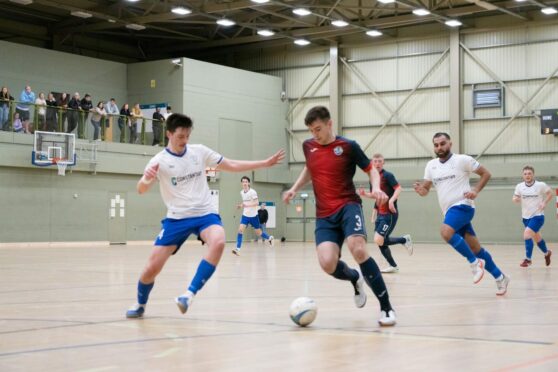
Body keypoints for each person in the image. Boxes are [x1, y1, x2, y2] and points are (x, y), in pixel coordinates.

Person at [125, 113, 285, 318]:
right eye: (180, 136)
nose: (184, 141)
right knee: (151, 267)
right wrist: (147, 180)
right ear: (169, 134)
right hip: (177, 218)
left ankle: (189, 294)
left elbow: (232, 165)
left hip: (205, 213)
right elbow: (140, 189)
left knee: (218, 241)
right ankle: (140, 304)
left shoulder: (198, 152)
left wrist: (263, 163)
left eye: (187, 136)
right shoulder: (159, 161)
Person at [282, 105, 396, 326]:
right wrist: (295, 187)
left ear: (329, 123)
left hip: (348, 206)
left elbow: (371, 168)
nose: (315, 134)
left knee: (358, 249)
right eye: (311, 131)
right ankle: (354, 278)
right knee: (327, 263)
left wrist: (376, 187)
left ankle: (386, 308)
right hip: (324, 214)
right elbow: (309, 168)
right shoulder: (309, 146)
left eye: (318, 129)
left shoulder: (348, 146)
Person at [413, 132, 510, 296]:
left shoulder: (462, 160)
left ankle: (474, 264)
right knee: (476, 248)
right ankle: (500, 277)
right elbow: (425, 191)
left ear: (450, 143)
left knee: (445, 232)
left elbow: (486, 174)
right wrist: (420, 189)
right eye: (436, 145)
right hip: (449, 212)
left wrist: (475, 190)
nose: (439, 147)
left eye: (443, 143)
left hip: (464, 206)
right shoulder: (431, 165)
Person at [358, 153, 413, 273]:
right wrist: (365, 194)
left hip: (390, 214)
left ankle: (404, 240)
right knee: (380, 242)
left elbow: (398, 188)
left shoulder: (388, 175)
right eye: (375, 161)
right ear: (372, 163)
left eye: (379, 161)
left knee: (379, 240)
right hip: (380, 215)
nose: (377, 163)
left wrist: (392, 200)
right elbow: (374, 195)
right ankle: (393, 265)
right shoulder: (372, 178)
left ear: (383, 163)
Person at [513, 165, 552, 267]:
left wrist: (544, 203)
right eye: (525, 174)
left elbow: (550, 193)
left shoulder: (540, 185)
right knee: (537, 238)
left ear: (533, 175)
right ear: (523, 175)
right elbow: (515, 197)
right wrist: (515, 199)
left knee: (526, 235)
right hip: (526, 217)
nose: (527, 175)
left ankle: (528, 259)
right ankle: (547, 253)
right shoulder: (519, 186)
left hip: (538, 216)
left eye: (529, 173)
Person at [232, 176, 274, 255]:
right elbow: (245, 202)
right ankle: (237, 249)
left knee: (258, 233)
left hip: (254, 216)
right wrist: (241, 205)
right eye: (243, 182)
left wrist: (247, 205)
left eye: (246, 181)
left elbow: (257, 203)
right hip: (245, 216)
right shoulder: (241, 192)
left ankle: (269, 238)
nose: (244, 183)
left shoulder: (252, 192)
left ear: (248, 183)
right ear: (242, 183)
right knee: (240, 230)